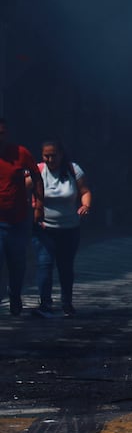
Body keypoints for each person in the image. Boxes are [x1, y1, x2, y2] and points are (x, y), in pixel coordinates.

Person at [33, 139, 91, 317]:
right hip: (45, 228)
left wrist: (85, 205)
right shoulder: (38, 171)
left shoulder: (73, 169)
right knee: (44, 264)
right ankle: (45, 304)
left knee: (65, 267)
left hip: (69, 228)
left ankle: (67, 303)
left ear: (61, 154)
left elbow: (85, 191)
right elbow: (22, 189)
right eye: (46, 156)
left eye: (54, 155)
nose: (50, 160)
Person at [0, 119, 44, 316]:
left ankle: (15, 294)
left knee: (17, 262)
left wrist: (39, 205)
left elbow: (37, 178)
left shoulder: (21, 153)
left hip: (18, 219)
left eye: (1, 132)